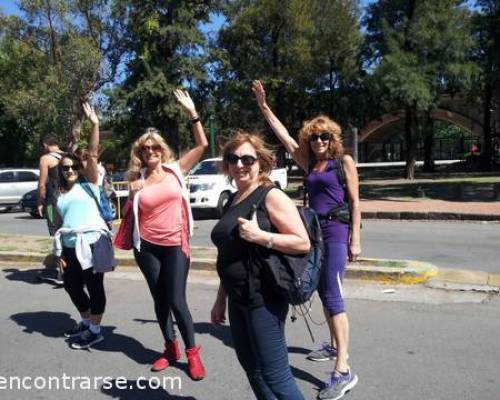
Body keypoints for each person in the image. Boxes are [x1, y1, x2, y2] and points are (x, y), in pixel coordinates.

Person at [253, 80, 361, 400]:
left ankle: (343, 370)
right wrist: (263, 106)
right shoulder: (311, 163)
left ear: (333, 138)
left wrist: (356, 240)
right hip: (315, 234)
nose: (318, 141)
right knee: (322, 290)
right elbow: (284, 137)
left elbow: (355, 202)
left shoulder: (344, 162)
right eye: (313, 137)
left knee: (333, 295)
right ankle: (333, 343)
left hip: (338, 233)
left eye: (324, 136)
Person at [210, 131, 310, 400]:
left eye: (247, 159)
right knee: (252, 369)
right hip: (237, 299)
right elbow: (228, 254)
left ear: (261, 163)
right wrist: (221, 299)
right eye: (233, 159)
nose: (240, 164)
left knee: (276, 377)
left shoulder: (270, 196)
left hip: (263, 299)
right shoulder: (232, 199)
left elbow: (302, 243)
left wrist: (261, 236)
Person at [128, 90, 208, 380]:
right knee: (159, 299)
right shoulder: (136, 180)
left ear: (162, 150)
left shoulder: (176, 170)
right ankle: (170, 348)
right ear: (140, 154)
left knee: (176, 298)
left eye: (155, 148)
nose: (150, 152)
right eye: (145, 150)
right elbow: (132, 214)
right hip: (146, 247)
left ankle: (192, 353)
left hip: (175, 243)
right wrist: (130, 193)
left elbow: (203, 144)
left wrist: (192, 113)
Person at [52, 102, 113, 350]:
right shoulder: (59, 194)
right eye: (65, 168)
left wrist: (95, 124)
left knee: (95, 286)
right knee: (71, 286)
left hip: (93, 242)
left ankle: (96, 329)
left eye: (74, 166)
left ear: (80, 167)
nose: (70, 171)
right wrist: (56, 254)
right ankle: (87, 321)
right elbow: (58, 223)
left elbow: (94, 152)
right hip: (68, 245)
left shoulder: (89, 183)